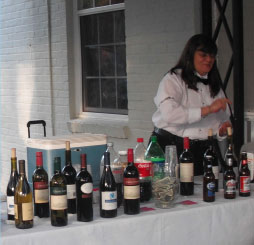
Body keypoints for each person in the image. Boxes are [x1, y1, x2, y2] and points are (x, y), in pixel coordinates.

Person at [151, 34, 231, 175]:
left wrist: (222, 129)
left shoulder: (214, 85)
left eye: (212, 56)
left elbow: (222, 119)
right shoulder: (173, 79)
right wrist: (207, 109)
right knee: (168, 192)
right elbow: (170, 114)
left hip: (203, 150)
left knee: (204, 193)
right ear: (190, 55)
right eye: (203, 55)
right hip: (171, 147)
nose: (209, 60)